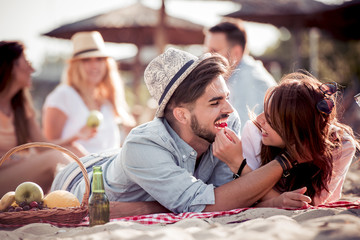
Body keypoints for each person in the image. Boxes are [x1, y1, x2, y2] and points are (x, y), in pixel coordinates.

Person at [51, 48, 311, 217]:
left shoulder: (223, 123)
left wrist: (268, 202)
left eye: (226, 98)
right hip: (78, 183)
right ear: (181, 115)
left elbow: (224, 195)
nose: (229, 109)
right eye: (215, 102)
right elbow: (206, 204)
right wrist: (288, 158)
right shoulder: (142, 145)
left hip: (121, 164)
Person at [238, 72, 360, 207]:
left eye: (271, 119)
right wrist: (289, 157)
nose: (259, 120)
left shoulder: (340, 145)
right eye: (264, 110)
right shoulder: (254, 133)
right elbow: (247, 196)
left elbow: (312, 203)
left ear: (297, 128)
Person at [0, 41, 81, 195]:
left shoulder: (21, 107)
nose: (33, 69)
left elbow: (42, 146)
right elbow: (47, 153)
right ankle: (90, 198)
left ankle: (97, 191)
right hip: (3, 176)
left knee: (72, 150)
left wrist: (73, 139)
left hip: (18, 170)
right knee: (53, 159)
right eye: (27, 63)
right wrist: (17, 159)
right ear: (10, 66)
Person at [42, 31, 135, 154]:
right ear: (75, 65)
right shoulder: (63, 95)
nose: (95, 65)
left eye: (99, 59)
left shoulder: (108, 100)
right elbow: (45, 149)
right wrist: (76, 137)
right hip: (79, 171)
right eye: (86, 60)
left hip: (110, 169)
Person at [204, 21, 277, 132]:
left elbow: (240, 134)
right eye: (207, 50)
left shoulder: (249, 79)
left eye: (214, 51)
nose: (207, 56)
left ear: (236, 53)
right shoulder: (233, 76)